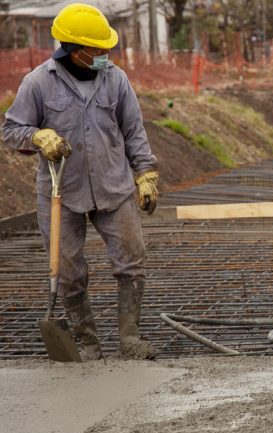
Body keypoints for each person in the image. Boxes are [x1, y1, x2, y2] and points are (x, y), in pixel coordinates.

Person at [2, 3, 159, 361]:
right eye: (99, 49)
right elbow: (11, 130)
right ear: (74, 50)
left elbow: (133, 130)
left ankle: (130, 338)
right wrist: (37, 136)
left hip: (114, 186)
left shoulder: (115, 78)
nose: (106, 54)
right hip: (63, 192)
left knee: (132, 260)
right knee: (69, 271)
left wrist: (145, 174)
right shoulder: (38, 83)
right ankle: (87, 342)